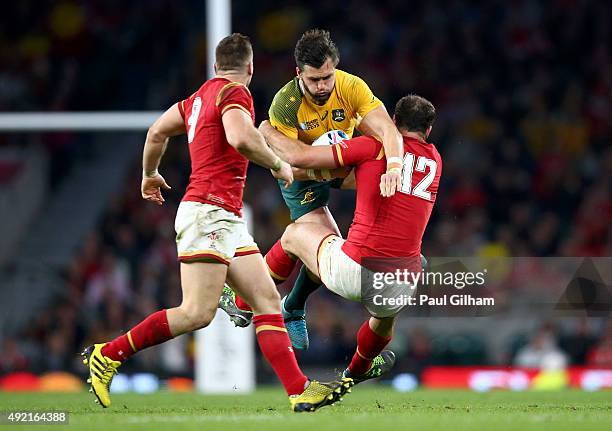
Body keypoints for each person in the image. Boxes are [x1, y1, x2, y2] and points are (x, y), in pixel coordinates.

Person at [81, 33, 352, 412]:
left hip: (225, 216)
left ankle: (298, 389)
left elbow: (157, 131)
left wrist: (149, 174)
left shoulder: (196, 98)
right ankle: (108, 354)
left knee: (266, 298)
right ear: (251, 68)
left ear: (214, 66)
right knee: (196, 313)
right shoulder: (235, 92)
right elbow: (241, 137)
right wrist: (278, 164)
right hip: (208, 212)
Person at [219, 29, 405, 350]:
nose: (322, 86)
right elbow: (289, 164)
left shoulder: (351, 86)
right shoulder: (286, 103)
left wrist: (394, 167)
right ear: (298, 74)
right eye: (314, 80)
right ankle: (279, 303)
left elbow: (387, 130)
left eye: (327, 77)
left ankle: (262, 301)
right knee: (325, 247)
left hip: (340, 164)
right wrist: (314, 164)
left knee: (382, 167)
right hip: (301, 175)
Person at [263, 95, 442, 383]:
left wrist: (268, 133)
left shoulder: (372, 146)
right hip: (399, 282)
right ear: (429, 130)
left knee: (295, 235)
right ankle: (358, 369)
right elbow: (373, 180)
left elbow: (300, 161)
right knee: (385, 317)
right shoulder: (435, 161)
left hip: (353, 269)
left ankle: (247, 301)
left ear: (392, 122)